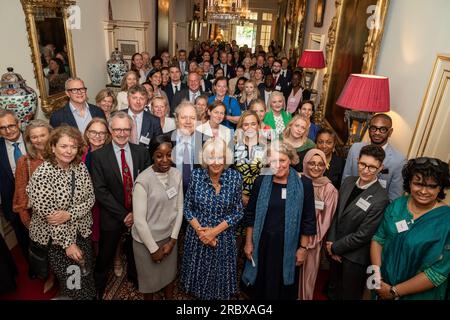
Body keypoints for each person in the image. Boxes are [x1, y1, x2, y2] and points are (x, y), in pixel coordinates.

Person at [27, 126, 96, 300]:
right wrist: (68, 244)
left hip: (82, 230)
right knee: (73, 279)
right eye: (64, 146)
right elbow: (51, 218)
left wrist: (70, 214)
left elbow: (91, 199)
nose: (69, 151)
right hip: (58, 240)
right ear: (52, 147)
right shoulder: (43, 175)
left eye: (73, 146)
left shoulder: (79, 167)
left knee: (86, 272)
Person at [242, 141, 317, 300]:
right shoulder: (261, 182)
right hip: (262, 244)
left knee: (283, 290)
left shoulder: (304, 184)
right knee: (260, 288)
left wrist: (303, 248)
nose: (278, 165)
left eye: (282, 160)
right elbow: (251, 215)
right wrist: (248, 242)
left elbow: (308, 220)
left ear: (290, 160)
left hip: (288, 247)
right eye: (273, 161)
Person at [91, 111, 152, 299]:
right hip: (112, 215)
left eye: (126, 129)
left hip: (139, 213)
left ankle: (135, 278)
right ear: (110, 129)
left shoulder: (141, 152)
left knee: (137, 251)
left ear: (131, 129)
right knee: (105, 256)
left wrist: (135, 212)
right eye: (117, 129)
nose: (122, 133)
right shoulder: (99, 156)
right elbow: (100, 191)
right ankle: (97, 289)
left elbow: (149, 184)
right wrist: (124, 215)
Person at [370, 157, 450, 300]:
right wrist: (377, 277)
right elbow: (378, 239)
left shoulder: (446, 220)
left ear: (440, 187)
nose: (424, 191)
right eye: (418, 183)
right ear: (409, 183)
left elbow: (438, 272)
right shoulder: (397, 205)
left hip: (419, 295)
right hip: (382, 286)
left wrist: (394, 291)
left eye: (432, 186)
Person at [181, 137, 244, 299]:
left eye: (220, 157)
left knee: (219, 284)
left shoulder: (235, 178)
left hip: (223, 237)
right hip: (198, 237)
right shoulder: (196, 176)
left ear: (226, 158)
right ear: (205, 159)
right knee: (197, 282)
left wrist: (213, 232)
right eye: (211, 157)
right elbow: (187, 208)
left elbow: (238, 211)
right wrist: (203, 234)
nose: (216, 162)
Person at [326, 145, 390, 300]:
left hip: (354, 259)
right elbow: (336, 214)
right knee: (332, 291)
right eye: (363, 164)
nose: (366, 170)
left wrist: (336, 247)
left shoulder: (381, 198)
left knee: (348, 295)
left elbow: (364, 235)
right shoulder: (348, 182)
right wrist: (331, 242)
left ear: (380, 167)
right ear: (357, 161)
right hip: (334, 249)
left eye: (372, 167)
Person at [132, 135, 183, 300]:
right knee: (150, 284)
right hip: (147, 242)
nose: (165, 160)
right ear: (152, 156)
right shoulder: (142, 181)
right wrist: (154, 250)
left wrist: (173, 241)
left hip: (169, 239)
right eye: (159, 155)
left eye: (169, 154)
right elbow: (139, 222)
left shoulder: (177, 174)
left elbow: (179, 208)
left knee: (169, 278)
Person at [298, 149, 338, 300]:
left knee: (306, 281)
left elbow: (325, 221)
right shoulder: (297, 181)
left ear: (325, 166)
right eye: (312, 163)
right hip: (290, 239)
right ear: (305, 163)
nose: (316, 167)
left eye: (320, 164)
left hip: (312, 244)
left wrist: (307, 243)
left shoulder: (329, 189)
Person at [342, 113, 406, 201]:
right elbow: (346, 178)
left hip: (376, 209)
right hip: (349, 201)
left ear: (390, 132)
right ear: (369, 130)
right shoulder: (355, 149)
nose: (377, 132)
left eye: (383, 129)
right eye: (373, 128)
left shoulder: (399, 160)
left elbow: (394, 197)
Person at [0, 110, 30, 265]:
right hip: (14, 204)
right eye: (2, 128)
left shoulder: (33, 138)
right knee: (23, 239)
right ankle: (35, 269)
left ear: (18, 124)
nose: (8, 130)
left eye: (11, 125)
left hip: (41, 201)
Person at [82, 118, 111, 255]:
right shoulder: (80, 154)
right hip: (86, 203)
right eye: (93, 132)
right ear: (87, 133)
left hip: (106, 202)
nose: (97, 136)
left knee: (110, 234)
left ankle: (115, 258)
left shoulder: (112, 154)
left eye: (102, 133)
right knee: (91, 233)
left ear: (107, 136)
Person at [233, 110, 266, 207]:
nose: (250, 128)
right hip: (237, 197)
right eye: (246, 124)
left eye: (253, 124)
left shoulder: (267, 145)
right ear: (241, 127)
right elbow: (229, 173)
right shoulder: (234, 144)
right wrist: (241, 195)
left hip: (262, 196)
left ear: (258, 125)